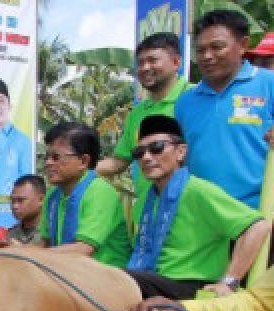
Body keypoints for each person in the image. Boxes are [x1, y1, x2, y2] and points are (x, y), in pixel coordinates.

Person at [124, 115, 270, 299]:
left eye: (156, 148)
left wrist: (229, 281)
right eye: (139, 152)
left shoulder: (198, 190)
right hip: (152, 280)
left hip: (187, 286)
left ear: (181, 152)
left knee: (116, 281)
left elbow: (257, 226)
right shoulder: (147, 198)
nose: (146, 157)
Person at [175, 10, 274, 209]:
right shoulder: (185, 102)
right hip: (203, 217)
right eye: (200, 50)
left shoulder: (268, 83)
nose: (207, 56)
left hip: (258, 217)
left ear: (243, 45)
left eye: (217, 47)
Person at [97, 32, 190, 206]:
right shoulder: (137, 113)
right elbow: (120, 161)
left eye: (153, 60)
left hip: (188, 211)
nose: (145, 67)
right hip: (147, 214)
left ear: (176, 62)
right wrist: (79, 171)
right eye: (140, 63)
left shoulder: (196, 98)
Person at [39, 122, 132, 267]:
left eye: (56, 157)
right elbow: (45, 244)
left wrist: (30, 255)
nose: (48, 163)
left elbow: (83, 249)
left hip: (105, 280)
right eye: (47, 157)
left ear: (83, 161)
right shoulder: (52, 195)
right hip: (67, 275)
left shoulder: (100, 191)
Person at [0, 174, 44, 246]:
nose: (15, 206)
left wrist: (21, 250)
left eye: (21, 200)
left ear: (41, 199)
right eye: (13, 201)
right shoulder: (11, 233)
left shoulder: (52, 231)